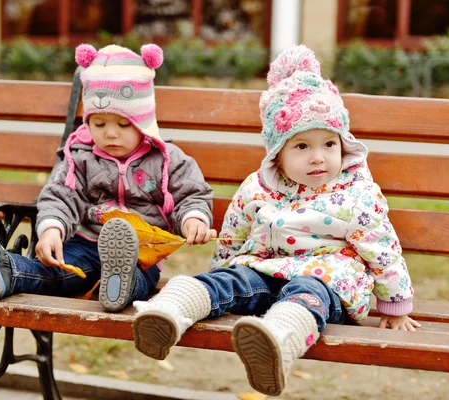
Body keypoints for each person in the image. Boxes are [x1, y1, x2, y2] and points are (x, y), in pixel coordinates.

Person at [131, 45, 420, 396]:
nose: (318, 158)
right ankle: (169, 311)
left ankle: (276, 340)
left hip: (327, 281)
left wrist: (395, 304)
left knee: (308, 293)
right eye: (301, 147)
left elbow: (382, 248)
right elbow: (235, 234)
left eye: (329, 144)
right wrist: (224, 267)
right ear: (277, 155)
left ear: (343, 144)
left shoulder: (357, 193)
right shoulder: (258, 187)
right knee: (233, 281)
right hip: (265, 271)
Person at [0, 43, 216, 312]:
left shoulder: (166, 159)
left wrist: (193, 219)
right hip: (85, 245)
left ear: (144, 121)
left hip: (140, 251)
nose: (110, 134)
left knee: (140, 277)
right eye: (99, 124)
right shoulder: (81, 157)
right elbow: (61, 196)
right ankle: (4, 270)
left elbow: (191, 194)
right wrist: (51, 230)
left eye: (124, 124)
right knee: (57, 273)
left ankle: (120, 285)